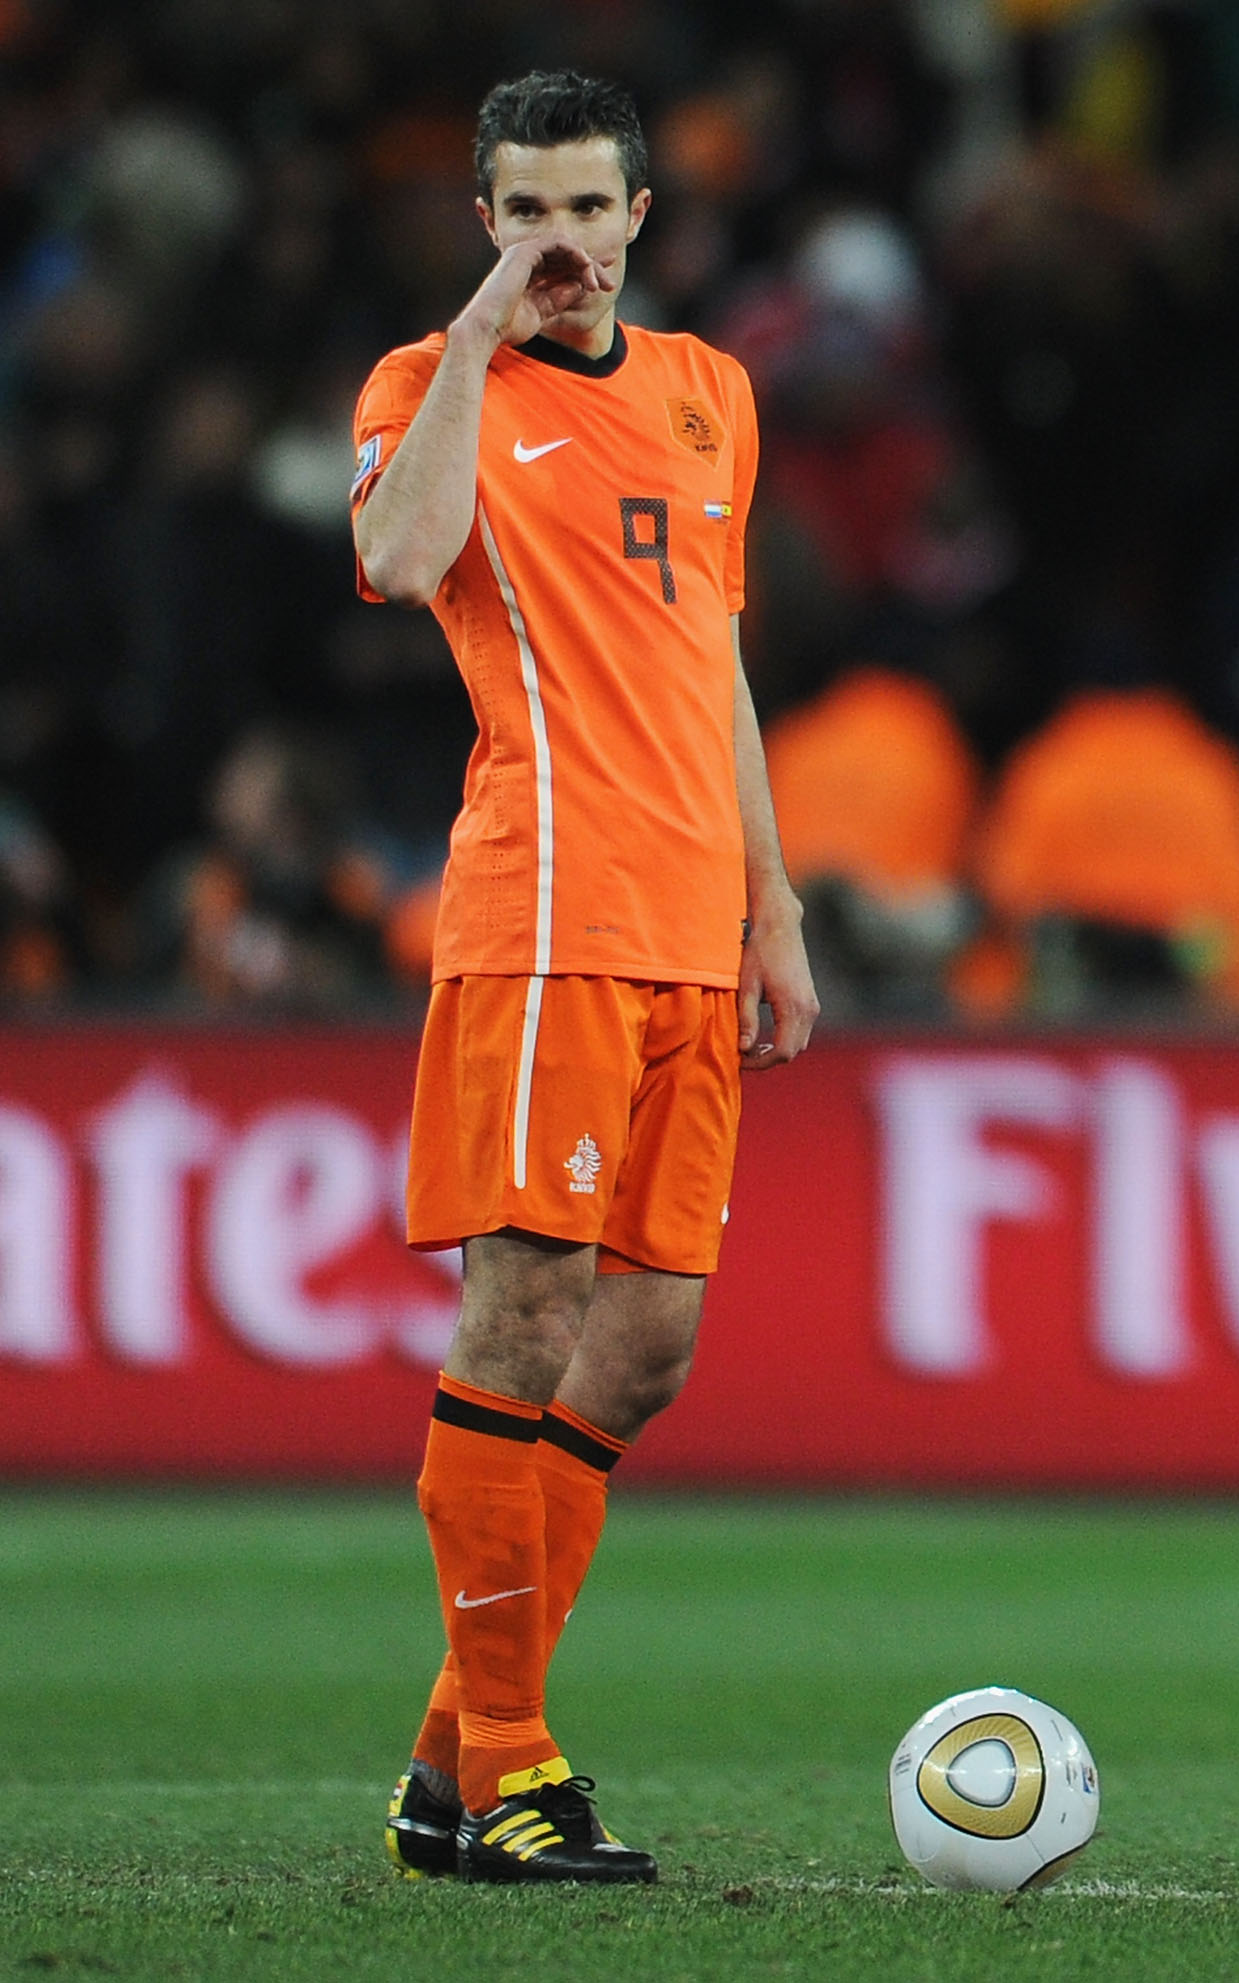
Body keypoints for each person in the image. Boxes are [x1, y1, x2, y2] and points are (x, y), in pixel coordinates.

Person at [350, 70, 817, 1885]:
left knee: (644, 1351)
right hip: (547, 910)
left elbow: (713, 658)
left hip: (694, 924)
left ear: (640, 216)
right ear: (485, 222)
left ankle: (446, 1755)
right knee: (523, 1319)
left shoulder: (716, 397)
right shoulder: (423, 386)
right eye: (524, 212)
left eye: (587, 209)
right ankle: (520, 1762)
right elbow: (394, 558)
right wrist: (480, 338)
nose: (561, 242)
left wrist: (772, 897)